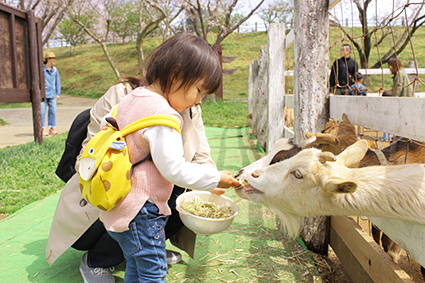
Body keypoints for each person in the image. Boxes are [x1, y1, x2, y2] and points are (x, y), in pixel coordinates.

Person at [45, 35, 239, 283]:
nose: (200, 99)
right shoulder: (160, 113)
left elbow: (200, 154)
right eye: (199, 90)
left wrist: (206, 182)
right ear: (176, 75)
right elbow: (172, 169)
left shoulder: (136, 100)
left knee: (137, 268)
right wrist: (214, 179)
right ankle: (104, 259)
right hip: (132, 203)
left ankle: (142, 251)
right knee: (153, 272)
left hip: (131, 202)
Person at [380, 57, 414, 141]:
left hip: (404, 99)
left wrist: (393, 99)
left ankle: (401, 135)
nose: (390, 68)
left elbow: (397, 89)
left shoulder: (399, 74)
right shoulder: (402, 72)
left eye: (391, 66)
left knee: (402, 117)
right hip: (407, 98)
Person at [42, 51, 61, 136]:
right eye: (52, 58)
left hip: (52, 94)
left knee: (52, 111)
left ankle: (52, 128)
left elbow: (58, 82)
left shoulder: (54, 70)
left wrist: (58, 93)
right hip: (43, 94)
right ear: (48, 59)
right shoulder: (42, 70)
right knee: (42, 111)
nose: (54, 60)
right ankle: (42, 128)